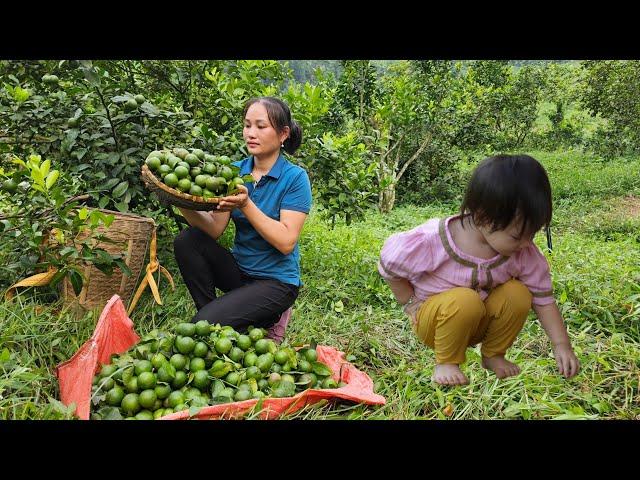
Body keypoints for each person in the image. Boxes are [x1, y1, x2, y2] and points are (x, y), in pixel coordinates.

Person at [378, 154, 580, 385]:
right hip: (436, 323)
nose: (526, 243)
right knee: (464, 300)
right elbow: (389, 266)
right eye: (517, 236)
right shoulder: (434, 241)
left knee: (519, 293)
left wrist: (561, 345)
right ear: (483, 217)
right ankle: (446, 362)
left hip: (480, 322)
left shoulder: (522, 252)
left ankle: (493, 355)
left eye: (532, 234)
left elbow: (544, 300)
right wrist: (410, 302)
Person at [174, 97, 311, 339]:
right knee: (188, 240)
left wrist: (246, 204)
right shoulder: (234, 171)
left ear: (283, 134)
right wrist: (180, 201)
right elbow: (214, 229)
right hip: (240, 273)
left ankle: (268, 316)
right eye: (247, 125)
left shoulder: (295, 178)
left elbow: (286, 241)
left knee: (200, 326)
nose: (251, 133)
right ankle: (214, 320)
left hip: (277, 282)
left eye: (260, 126)